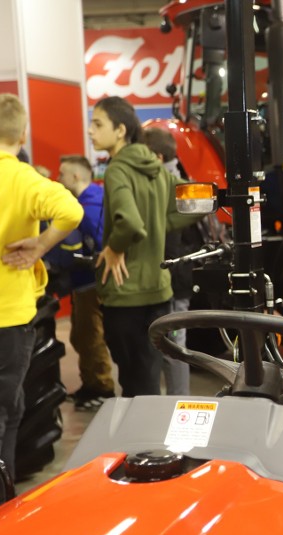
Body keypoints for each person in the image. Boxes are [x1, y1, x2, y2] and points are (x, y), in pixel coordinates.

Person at [0, 93, 83, 520]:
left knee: (9, 410)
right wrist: (40, 246)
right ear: (22, 135)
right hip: (3, 321)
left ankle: (1, 502)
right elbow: (70, 211)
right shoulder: (21, 179)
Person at [89, 96, 199, 398]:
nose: (90, 131)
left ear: (121, 130)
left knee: (137, 388)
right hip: (160, 293)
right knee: (148, 379)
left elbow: (130, 224)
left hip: (126, 297)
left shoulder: (117, 170)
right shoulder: (157, 168)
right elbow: (198, 203)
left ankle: (141, 445)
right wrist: (159, 226)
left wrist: (114, 247)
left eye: (97, 124)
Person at [56, 154, 116, 408]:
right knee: (81, 336)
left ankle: (102, 388)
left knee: (90, 336)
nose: (58, 179)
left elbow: (103, 243)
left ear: (76, 176)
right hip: (83, 282)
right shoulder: (86, 201)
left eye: (62, 174)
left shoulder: (90, 205)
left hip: (92, 283)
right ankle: (90, 384)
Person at [143, 127, 194, 396]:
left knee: (173, 349)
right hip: (178, 277)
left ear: (158, 157)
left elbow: (171, 241)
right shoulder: (182, 182)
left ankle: (180, 407)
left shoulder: (173, 188)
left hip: (174, 279)